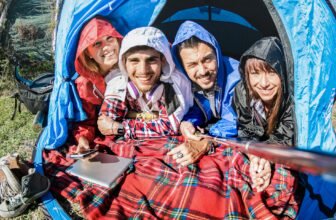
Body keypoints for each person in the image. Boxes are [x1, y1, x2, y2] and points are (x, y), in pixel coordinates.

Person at [98, 26, 193, 139]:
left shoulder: (175, 83)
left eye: (151, 60)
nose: (143, 70)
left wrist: (122, 126)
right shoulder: (118, 83)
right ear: (124, 62)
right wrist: (153, 117)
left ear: (163, 61)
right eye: (134, 61)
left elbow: (169, 126)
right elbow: (105, 123)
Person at [169, 20, 240, 165]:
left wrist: (208, 137)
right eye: (192, 64)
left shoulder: (237, 76)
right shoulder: (185, 81)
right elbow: (199, 106)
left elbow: (237, 119)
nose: (202, 71)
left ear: (217, 54)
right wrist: (188, 122)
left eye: (207, 60)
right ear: (183, 67)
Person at [233, 36, 295, 192]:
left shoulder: (293, 98)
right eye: (255, 73)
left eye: (272, 72)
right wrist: (255, 156)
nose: (264, 83)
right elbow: (246, 129)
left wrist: (267, 158)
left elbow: (287, 135)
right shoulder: (242, 92)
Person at [73, 17, 123, 152]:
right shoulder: (86, 84)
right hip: (111, 130)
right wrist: (83, 139)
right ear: (88, 53)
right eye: (97, 44)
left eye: (110, 39)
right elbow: (87, 121)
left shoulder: (131, 65)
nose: (107, 47)